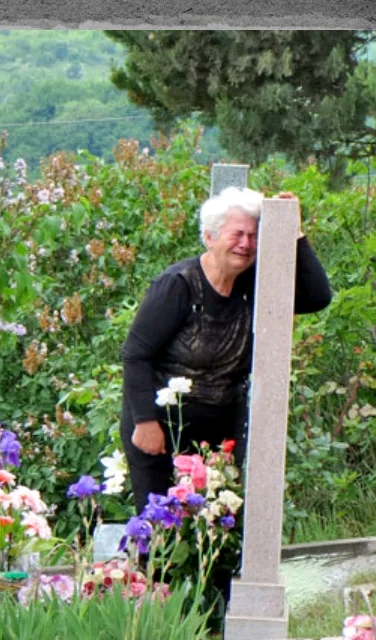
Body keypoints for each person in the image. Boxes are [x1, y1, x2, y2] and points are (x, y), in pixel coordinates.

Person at [119, 186, 332, 615]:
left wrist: (295, 233)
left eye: (254, 236)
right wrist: (145, 422)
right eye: (237, 234)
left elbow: (316, 297)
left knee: (217, 527)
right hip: (162, 431)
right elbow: (136, 354)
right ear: (210, 237)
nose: (246, 244)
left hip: (219, 437)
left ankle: (212, 620)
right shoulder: (177, 286)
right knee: (163, 534)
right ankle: (162, 620)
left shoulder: (254, 285)